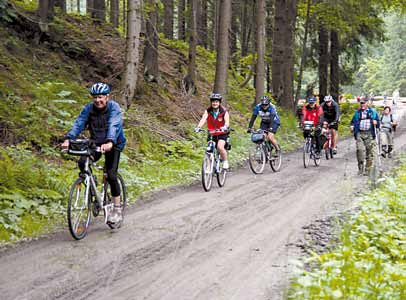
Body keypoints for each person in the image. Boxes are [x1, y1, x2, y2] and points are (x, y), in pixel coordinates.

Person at [61, 82, 126, 224]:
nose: (98, 100)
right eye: (95, 97)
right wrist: (68, 139)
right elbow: (79, 123)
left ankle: (117, 208)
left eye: (101, 97)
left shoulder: (113, 108)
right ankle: (91, 186)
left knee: (111, 174)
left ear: (107, 97)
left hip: (113, 143)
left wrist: (110, 141)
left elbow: (114, 125)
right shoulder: (89, 109)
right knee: (82, 162)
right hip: (96, 142)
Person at [195, 93, 230, 169]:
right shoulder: (208, 111)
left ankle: (225, 161)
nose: (215, 103)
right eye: (213, 102)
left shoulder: (224, 111)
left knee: (220, 147)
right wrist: (198, 127)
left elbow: (227, 122)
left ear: (219, 103)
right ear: (211, 102)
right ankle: (210, 163)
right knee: (209, 148)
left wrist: (225, 127)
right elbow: (203, 119)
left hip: (222, 133)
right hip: (212, 133)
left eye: (216, 102)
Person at [350, 96, 380, 175]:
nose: (362, 104)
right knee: (359, 150)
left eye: (363, 103)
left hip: (369, 133)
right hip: (359, 133)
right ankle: (360, 168)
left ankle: (368, 169)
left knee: (369, 152)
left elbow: (378, 123)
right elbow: (352, 122)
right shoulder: (357, 113)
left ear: (367, 103)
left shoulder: (373, 112)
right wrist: (352, 126)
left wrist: (376, 122)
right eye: (361, 103)